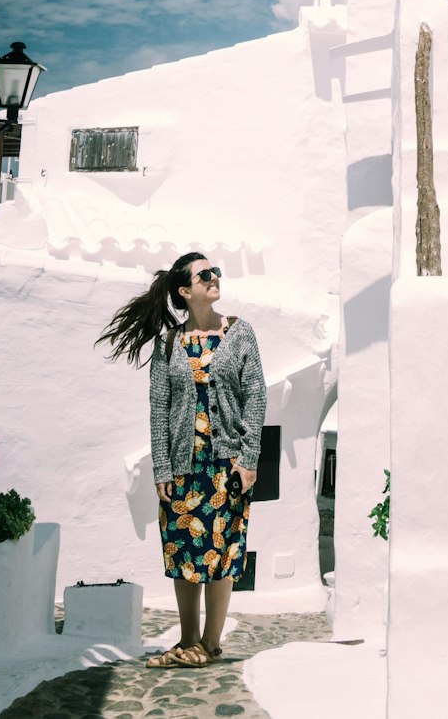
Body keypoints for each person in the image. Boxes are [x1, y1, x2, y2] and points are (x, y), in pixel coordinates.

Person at [97, 250, 266, 668]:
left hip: (226, 466)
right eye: (204, 274)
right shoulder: (169, 342)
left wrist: (248, 459)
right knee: (185, 551)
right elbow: (158, 407)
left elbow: (256, 397)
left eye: (216, 272)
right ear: (185, 291)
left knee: (222, 552)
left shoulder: (240, 334)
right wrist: (161, 467)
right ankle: (187, 640)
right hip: (183, 466)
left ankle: (209, 644)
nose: (214, 278)